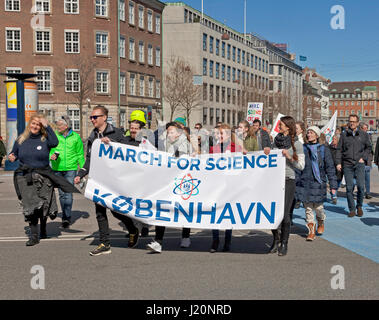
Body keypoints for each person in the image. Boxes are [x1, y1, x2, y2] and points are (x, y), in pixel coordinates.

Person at [74, 106, 141, 256]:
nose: (92, 120)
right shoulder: (92, 136)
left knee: (116, 211)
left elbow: (127, 151)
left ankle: (132, 229)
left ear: (104, 117)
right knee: (100, 212)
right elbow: (90, 159)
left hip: (114, 179)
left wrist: (111, 143)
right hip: (98, 180)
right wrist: (81, 173)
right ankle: (104, 243)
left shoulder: (116, 133)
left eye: (95, 117)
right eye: (91, 117)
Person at [8, 114, 79, 246]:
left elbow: (55, 143)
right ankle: (34, 236)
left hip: (44, 176)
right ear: (30, 124)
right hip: (25, 176)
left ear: (41, 127)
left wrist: (47, 126)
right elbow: (14, 154)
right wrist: (12, 156)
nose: (35, 126)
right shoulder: (21, 139)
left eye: (38, 124)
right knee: (31, 206)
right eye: (33, 123)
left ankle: (43, 227)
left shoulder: (45, 138)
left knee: (44, 205)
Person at [147, 122, 192, 253]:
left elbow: (184, 161)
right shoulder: (164, 145)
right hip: (166, 183)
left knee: (183, 210)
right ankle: (158, 241)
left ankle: (185, 237)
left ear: (178, 133)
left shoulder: (185, 144)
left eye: (171, 131)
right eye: (167, 132)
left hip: (182, 182)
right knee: (162, 210)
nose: (168, 134)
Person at [268, 116, 305, 256]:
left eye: (281, 124)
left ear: (288, 127)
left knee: (285, 214)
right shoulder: (275, 141)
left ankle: (284, 243)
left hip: (288, 179)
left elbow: (301, 165)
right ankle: (275, 239)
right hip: (273, 180)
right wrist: (267, 152)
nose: (279, 126)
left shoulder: (296, 144)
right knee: (272, 213)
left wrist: (289, 157)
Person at [296, 126, 337, 241]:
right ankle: (311, 231)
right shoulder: (303, 148)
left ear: (317, 135)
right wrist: (296, 183)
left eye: (312, 132)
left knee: (319, 207)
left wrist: (333, 185)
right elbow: (298, 166)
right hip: (305, 181)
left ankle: (321, 220)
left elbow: (330, 168)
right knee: (308, 208)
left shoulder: (324, 149)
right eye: (308, 132)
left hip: (319, 182)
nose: (309, 134)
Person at [209, 123, 242, 253]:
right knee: (215, 212)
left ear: (228, 135)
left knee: (228, 212)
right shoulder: (213, 149)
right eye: (217, 133)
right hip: (217, 185)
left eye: (221, 133)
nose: (218, 136)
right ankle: (215, 239)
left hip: (230, 185)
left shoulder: (236, 148)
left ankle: (228, 240)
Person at [50, 116, 85, 228]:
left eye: (60, 125)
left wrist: (83, 171)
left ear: (66, 126)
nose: (57, 127)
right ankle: (65, 215)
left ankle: (66, 217)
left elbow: (80, 154)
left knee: (68, 194)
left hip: (71, 168)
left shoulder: (76, 137)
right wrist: (52, 156)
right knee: (61, 194)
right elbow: (49, 150)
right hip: (57, 168)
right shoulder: (55, 136)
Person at [336, 114, 372, 218]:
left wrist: (363, 158)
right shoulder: (344, 135)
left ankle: (359, 206)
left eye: (353, 121)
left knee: (361, 187)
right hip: (347, 164)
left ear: (357, 123)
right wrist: (338, 163)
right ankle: (352, 209)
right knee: (349, 188)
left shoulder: (363, 135)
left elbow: (368, 147)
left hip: (359, 164)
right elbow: (339, 150)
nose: (351, 123)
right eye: (350, 121)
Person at [328, 134, 343, 204]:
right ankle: (334, 196)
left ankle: (333, 193)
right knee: (332, 181)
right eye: (332, 139)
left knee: (338, 182)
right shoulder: (329, 147)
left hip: (339, 168)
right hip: (331, 168)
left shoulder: (341, 149)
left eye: (335, 139)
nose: (333, 140)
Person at [360, 123, 373, 199]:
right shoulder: (358, 137)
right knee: (359, 178)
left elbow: (371, 149)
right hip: (359, 160)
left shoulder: (369, 137)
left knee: (367, 177)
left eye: (366, 129)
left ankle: (368, 193)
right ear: (361, 129)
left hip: (367, 161)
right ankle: (360, 192)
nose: (366, 130)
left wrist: (371, 159)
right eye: (364, 128)